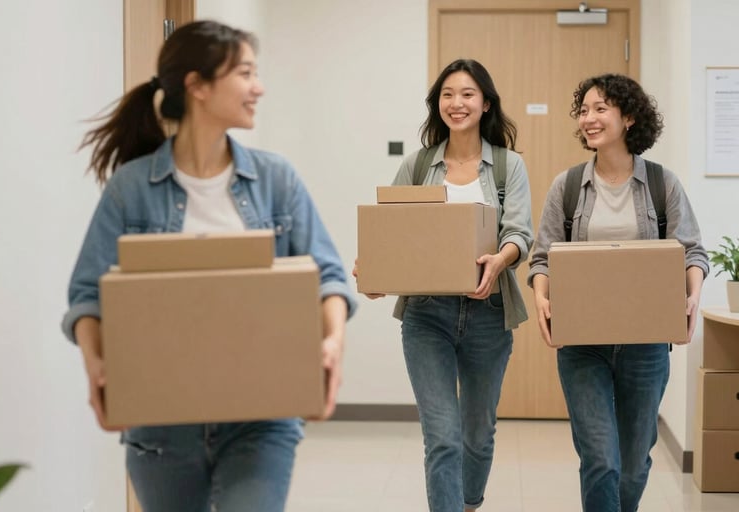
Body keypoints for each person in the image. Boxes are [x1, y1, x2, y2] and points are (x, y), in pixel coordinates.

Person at [61, 20, 356, 512]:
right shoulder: (131, 189)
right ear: (197, 86)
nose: (258, 87)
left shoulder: (275, 180)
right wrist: (96, 364)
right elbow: (88, 294)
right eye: (245, 73)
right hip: (160, 422)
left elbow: (328, 278)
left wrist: (331, 343)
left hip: (263, 416)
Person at [355, 59, 533, 512]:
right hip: (426, 316)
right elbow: (391, 231)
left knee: (477, 433)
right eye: (448, 94)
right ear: (437, 104)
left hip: (489, 314)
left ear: (485, 102)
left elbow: (519, 233)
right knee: (442, 436)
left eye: (468, 94)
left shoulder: (507, 166)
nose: (457, 103)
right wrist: (374, 270)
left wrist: (500, 260)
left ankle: (468, 503)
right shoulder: (417, 165)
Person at [528, 73, 708, 512]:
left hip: (646, 344)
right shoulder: (567, 187)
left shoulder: (663, 185)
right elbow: (542, 257)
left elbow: (693, 253)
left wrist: (691, 296)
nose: (589, 118)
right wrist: (542, 296)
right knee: (600, 459)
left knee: (632, 463)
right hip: (582, 345)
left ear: (628, 117)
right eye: (584, 110)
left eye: (600, 108)